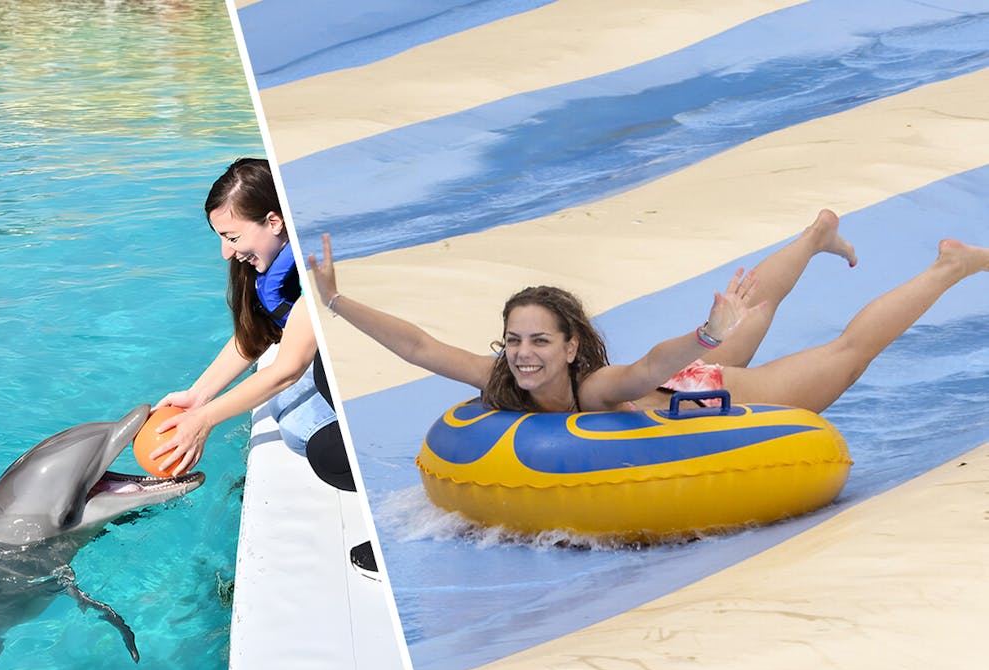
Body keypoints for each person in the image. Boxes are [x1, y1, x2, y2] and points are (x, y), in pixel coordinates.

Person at [309, 210, 988, 415]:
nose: (522, 353)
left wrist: (704, 335)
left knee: (844, 357)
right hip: (678, 387)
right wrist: (334, 300)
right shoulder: (503, 379)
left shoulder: (591, 387)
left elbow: (649, 370)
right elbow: (422, 347)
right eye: (514, 340)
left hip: (708, 391)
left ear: (572, 347)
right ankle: (815, 235)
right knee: (751, 306)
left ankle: (948, 264)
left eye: (539, 341)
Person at [151, 158, 355, 491]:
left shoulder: (316, 264)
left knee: (324, 450)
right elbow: (255, 334)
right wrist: (197, 396)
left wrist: (203, 422)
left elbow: (288, 369)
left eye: (231, 237)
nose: (225, 253)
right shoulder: (277, 262)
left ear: (274, 221)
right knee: (289, 413)